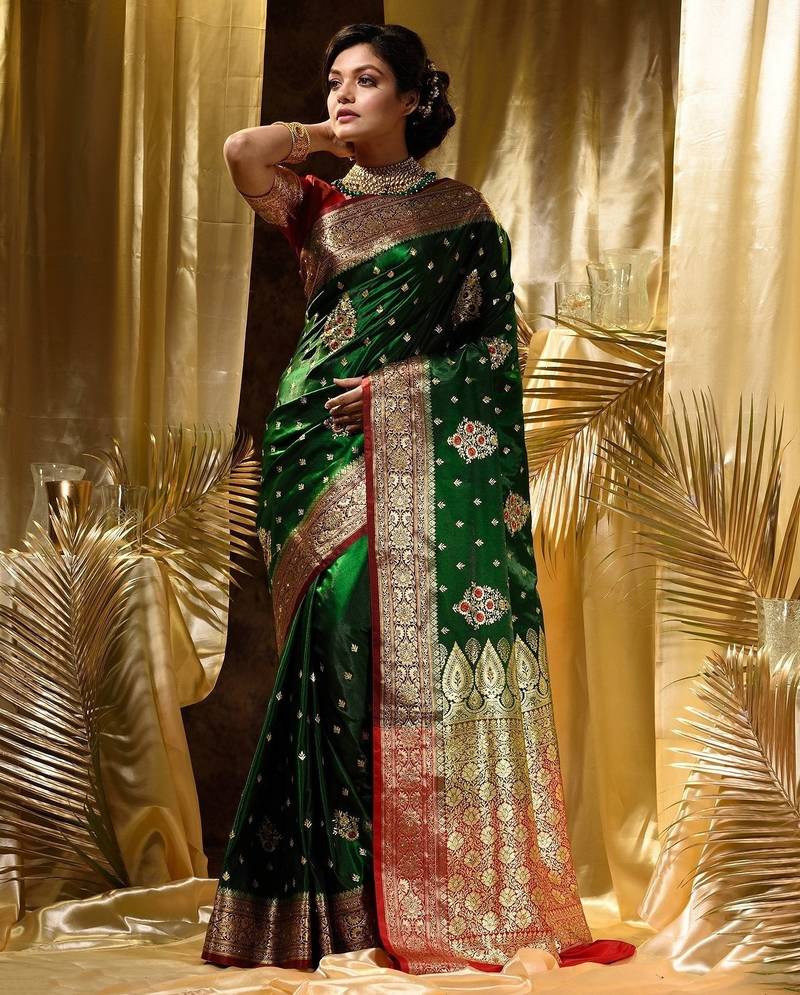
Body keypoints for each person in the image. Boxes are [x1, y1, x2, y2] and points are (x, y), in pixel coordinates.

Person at [202, 22, 634, 976]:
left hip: (404, 446)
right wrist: (323, 133)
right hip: (312, 447)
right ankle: (324, 906)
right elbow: (242, 152)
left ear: (412, 98)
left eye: (367, 81)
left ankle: (406, 891)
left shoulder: (461, 214)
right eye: (335, 80)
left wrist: (397, 393)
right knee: (326, 651)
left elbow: (494, 354)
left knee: (377, 647)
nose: (344, 93)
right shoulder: (315, 202)